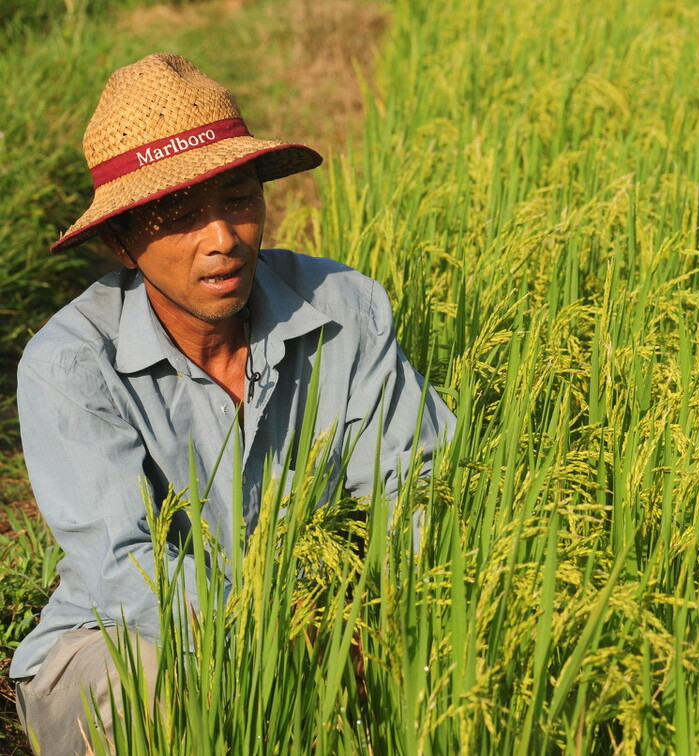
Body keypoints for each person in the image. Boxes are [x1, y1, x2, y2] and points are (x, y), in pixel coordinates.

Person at [10, 53, 456, 755]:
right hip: (128, 639)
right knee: (164, 704)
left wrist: (375, 618)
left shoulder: (346, 310)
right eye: (181, 217)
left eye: (240, 201)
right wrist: (285, 636)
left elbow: (418, 486)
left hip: (330, 621)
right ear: (121, 243)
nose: (222, 239)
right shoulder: (69, 367)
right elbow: (126, 565)